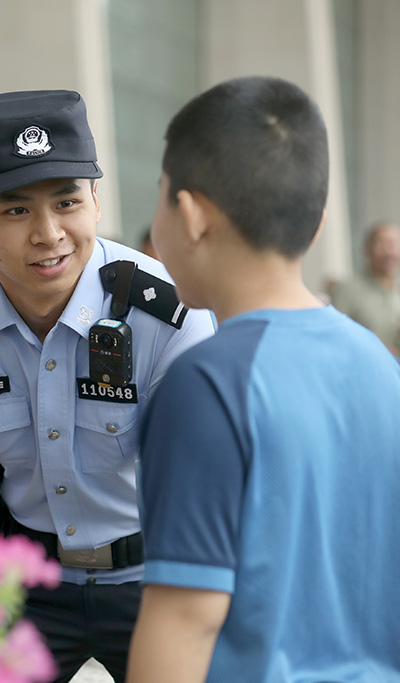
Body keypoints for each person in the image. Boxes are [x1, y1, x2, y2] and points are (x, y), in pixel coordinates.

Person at [0, 90, 215, 682]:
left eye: (67, 202)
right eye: (14, 210)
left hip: (157, 578)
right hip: (17, 584)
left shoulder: (171, 316)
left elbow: (202, 501)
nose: (49, 233)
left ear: (96, 202)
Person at [127, 77, 400, 682]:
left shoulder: (208, 384)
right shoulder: (383, 368)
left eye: (161, 196)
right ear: (318, 220)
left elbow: (184, 621)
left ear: (191, 215)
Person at [330, 221, 400, 354]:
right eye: (382, 243)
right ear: (367, 249)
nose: (389, 251)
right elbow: (335, 337)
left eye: (393, 244)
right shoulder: (347, 290)